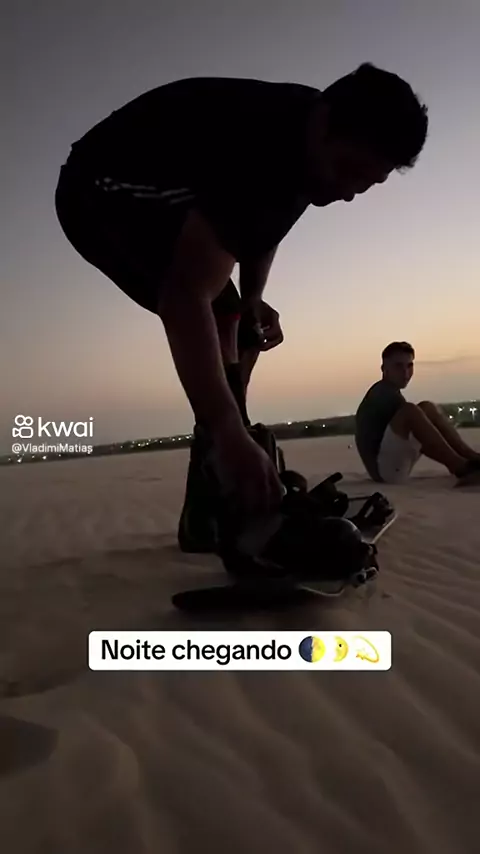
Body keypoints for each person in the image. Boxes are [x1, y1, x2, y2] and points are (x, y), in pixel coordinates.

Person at [55, 63, 429, 519]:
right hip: (101, 185)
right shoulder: (257, 148)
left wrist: (253, 298)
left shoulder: (308, 157)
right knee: (217, 313)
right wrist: (227, 430)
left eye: (366, 183)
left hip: (183, 186)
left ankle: (223, 481)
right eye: (347, 169)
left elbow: (263, 231)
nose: (348, 191)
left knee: (242, 324)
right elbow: (185, 297)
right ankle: (225, 467)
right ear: (323, 123)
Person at [355, 342, 480, 484]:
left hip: (393, 464)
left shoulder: (389, 391)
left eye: (409, 366)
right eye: (398, 366)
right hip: (384, 472)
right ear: (384, 369)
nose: (405, 372)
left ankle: (469, 457)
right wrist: (449, 460)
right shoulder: (383, 394)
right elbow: (423, 440)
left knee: (426, 407)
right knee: (411, 411)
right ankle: (461, 466)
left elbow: (420, 438)